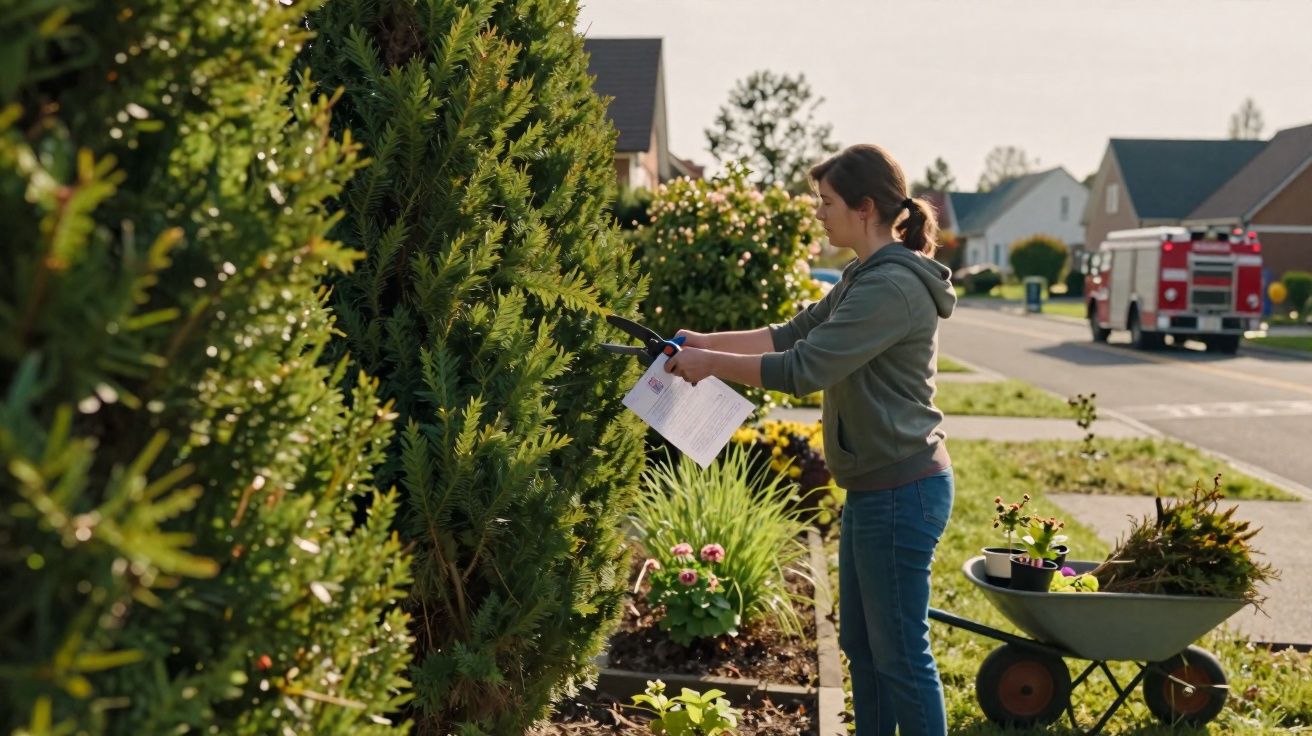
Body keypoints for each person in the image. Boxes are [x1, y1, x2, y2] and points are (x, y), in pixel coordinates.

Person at [663, 143, 957, 736]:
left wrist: (710, 365)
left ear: (865, 206)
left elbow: (803, 367)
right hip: (877, 486)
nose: (818, 212)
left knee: (900, 656)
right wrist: (702, 342)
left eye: (826, 202)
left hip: (903, 489)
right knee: (863, 646)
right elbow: (789, 334)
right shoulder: (863, 275)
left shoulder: (890, 288)